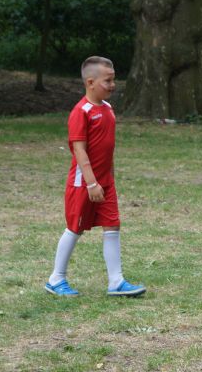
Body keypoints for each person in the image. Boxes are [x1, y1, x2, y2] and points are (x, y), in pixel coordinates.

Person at [44, 56, 146, 297]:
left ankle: (116, 281)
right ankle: (56, 279)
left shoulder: (108, 109)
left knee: (113, 225)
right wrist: (91, 183)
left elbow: (108, 148)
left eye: (113, 80)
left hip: (105, 183)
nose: (113, 85)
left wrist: (110, 178)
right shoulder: (81, 112)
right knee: (75, 228)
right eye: (107, 81)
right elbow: (79, 151)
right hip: (84, 184)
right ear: (90, 82)